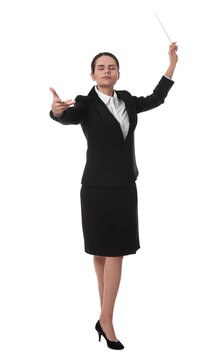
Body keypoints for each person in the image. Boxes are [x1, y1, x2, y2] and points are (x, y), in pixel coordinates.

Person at [49, 42, 178, 350]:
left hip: (124, 187)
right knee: (103, 252)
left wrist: (171, 64)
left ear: (118, 74)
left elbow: (157, 98)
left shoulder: (128, 101)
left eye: (112, 67)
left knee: (112, 252)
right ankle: (106, 320)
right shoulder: (84, 103)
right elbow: (68, 117)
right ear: (93, 74)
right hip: (95, 188)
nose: (107, 71)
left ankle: (103, 315)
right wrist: (56, 112)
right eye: (101, 67)